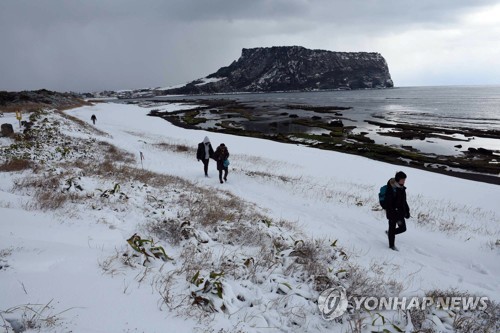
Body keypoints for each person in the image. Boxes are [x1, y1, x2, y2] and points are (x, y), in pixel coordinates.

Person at [384, 171, 410, 251]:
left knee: (403, 228)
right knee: (392, 228)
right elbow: (388, 203)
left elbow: (404, 201)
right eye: (403, 179)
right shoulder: (391, 188)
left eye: (404, 179)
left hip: (400, 213)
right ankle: (391, 246)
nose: (404, 181)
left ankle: (390, 233)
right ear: (398, 179)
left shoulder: (402, 188)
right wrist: (393, 211)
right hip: (392, 213)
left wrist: (407, 211)